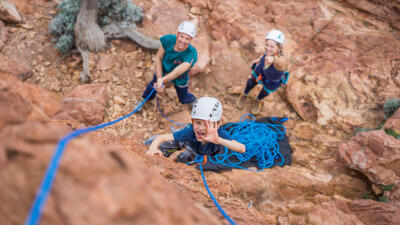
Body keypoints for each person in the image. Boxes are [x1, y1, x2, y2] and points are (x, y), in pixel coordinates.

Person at [146, 97, 246, 157]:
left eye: (207, 124)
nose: (201, 128)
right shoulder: (190, 132)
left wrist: (218, 140)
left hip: (206, 151)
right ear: (192, 121)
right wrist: (153, 148)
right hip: (190, 144)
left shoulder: (220, 133)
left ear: (217, 125)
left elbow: (242, 148)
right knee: (154, 143)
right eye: (198, 122)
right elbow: (162, 137)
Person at [135, 21, 198, 109]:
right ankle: (144, 100)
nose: (183, 41)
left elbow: (179, 70)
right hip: (164, 70)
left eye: (187, 38)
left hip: (180, 77)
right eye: (182, 36)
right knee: (152, 86)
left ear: (191, 40)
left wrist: (163, 80)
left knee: (183, 98)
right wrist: (159, 77)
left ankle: (193, 100)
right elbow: (158, 58)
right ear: (178, 34)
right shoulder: (168, 40)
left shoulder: (191, 53)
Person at [236, 29, 289, 115]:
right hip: (261, 72)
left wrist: (274, 59)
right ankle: (245, 94)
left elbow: (283, 62)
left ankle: (257, 100)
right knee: (251, 82)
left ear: (279, 48)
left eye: (272, 46)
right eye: (267, 45)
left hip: (271, 79)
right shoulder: (268, 52)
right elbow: (265, 53)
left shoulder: (280, 59)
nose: (268, 48)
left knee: (264, 92)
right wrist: (258, 60)